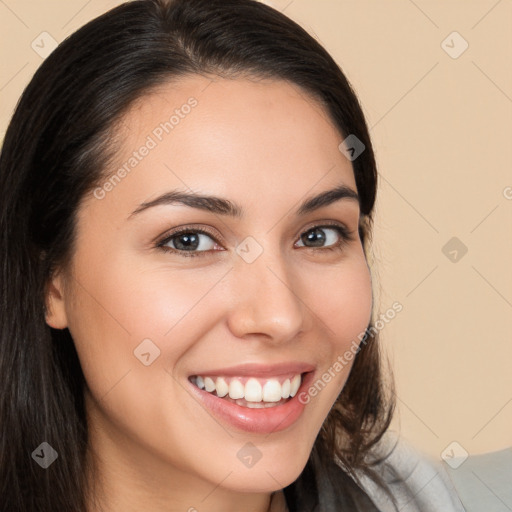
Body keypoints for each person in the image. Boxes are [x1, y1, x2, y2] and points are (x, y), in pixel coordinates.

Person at [0, 1, 466, 510]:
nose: (280, 316)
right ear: (52, 281)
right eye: (189, 241)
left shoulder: (417, 497)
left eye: (318, 236)